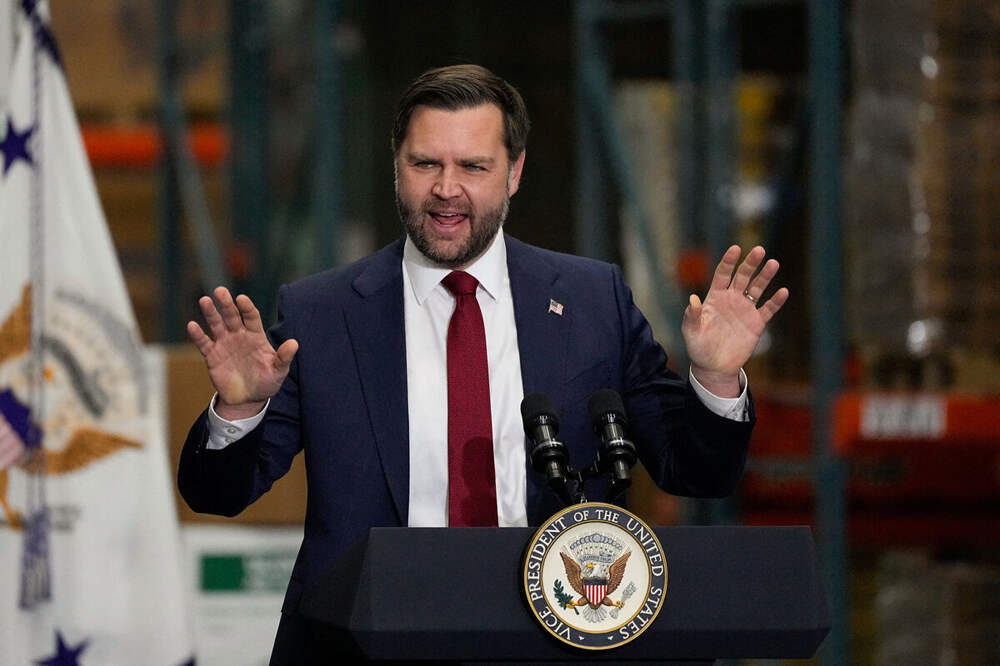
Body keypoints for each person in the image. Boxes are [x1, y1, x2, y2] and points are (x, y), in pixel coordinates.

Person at [178, 64, 788, 662]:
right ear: (396, 167)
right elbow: (218, 494)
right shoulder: (322, 313)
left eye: (473, 166)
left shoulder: (591, 301)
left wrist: (714, 377)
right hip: (367, 644)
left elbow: (696, 472)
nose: (447, 189)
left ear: (514, 172)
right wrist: (239, 409)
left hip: (556, 641)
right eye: (425, 164)